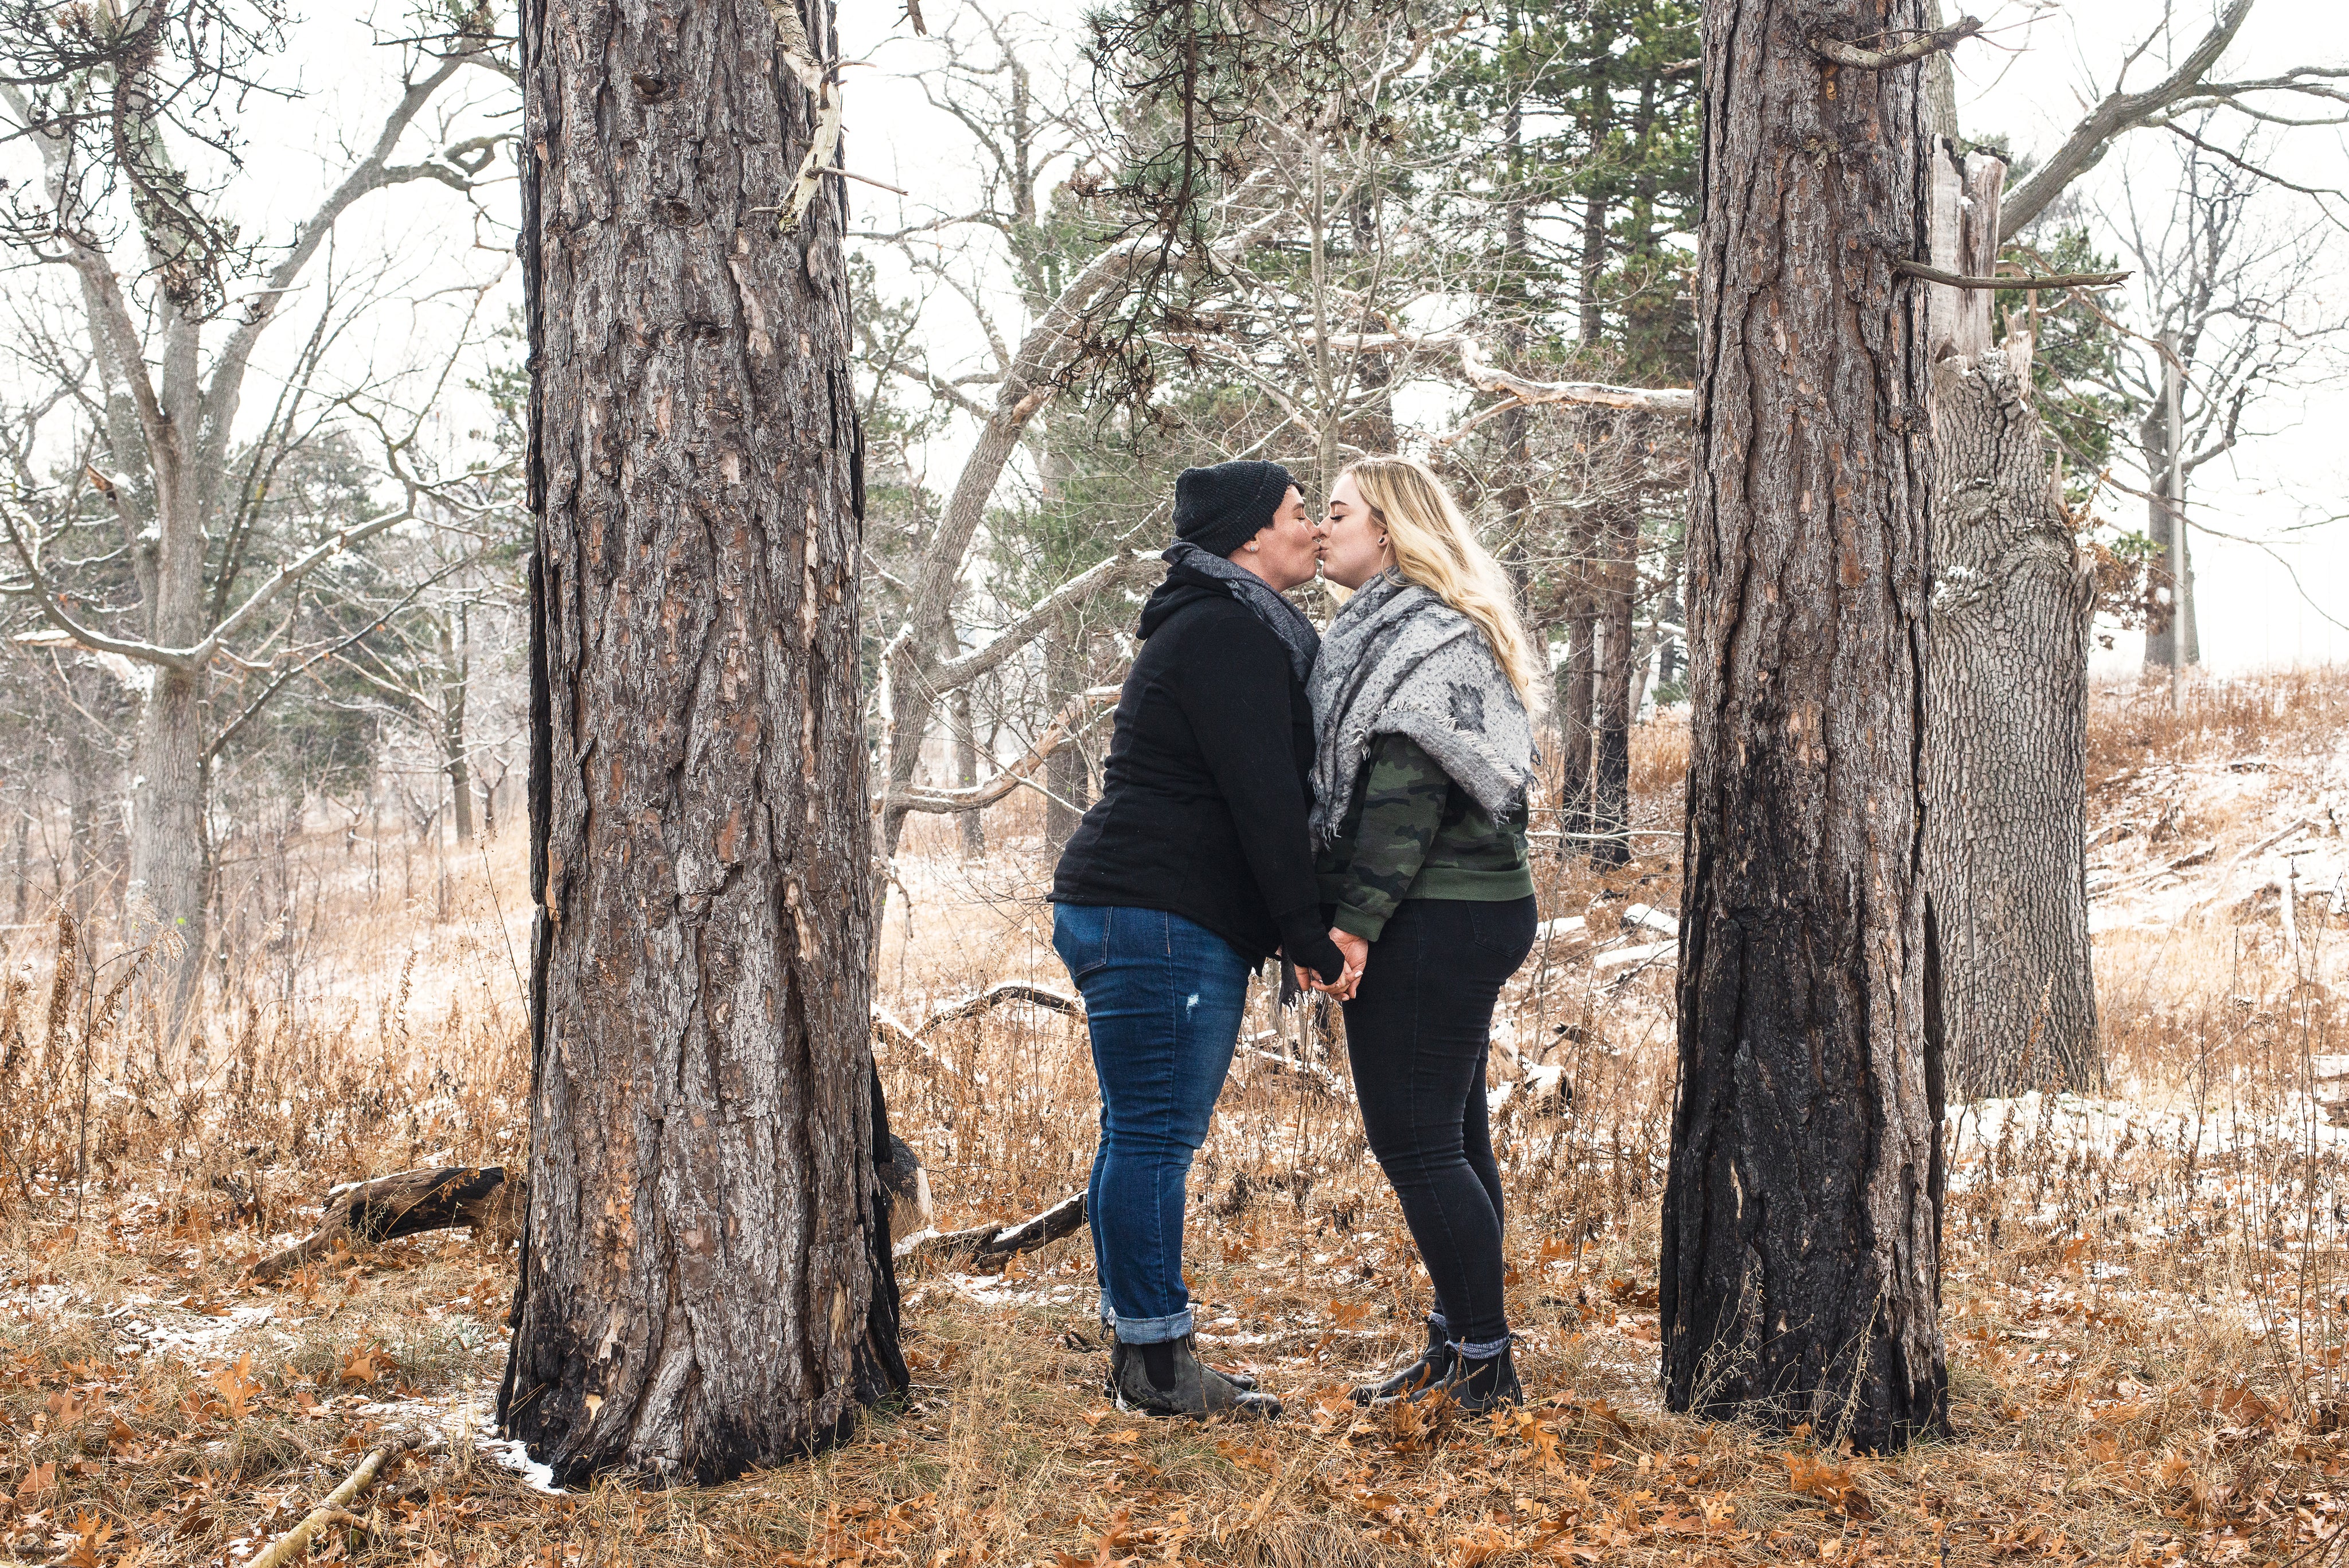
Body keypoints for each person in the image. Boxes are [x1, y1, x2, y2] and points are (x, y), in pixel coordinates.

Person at [1051, 458, 1354, 1420]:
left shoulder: (1220, 625)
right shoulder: (1228, 632)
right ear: (1248, 537)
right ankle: (1158, 1363)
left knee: (1135, 1134)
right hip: (1158, 915)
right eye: (1299, 513)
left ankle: (1145, 1348)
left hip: (1138, 906)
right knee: (1153, 1138)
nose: (1311, 528)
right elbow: (1263, 799)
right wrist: (1304, 931)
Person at [1307, 455, 1542, 1414]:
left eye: (1336, 512)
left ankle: (1486, 1363)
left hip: (1435, 912)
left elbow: (1406, 797)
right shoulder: (1398, 630)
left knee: (1414, 1143)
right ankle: (1459, 1345)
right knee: (1450, 1133)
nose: (1320, 529)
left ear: (1391, 532)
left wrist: (1352, 929)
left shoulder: (1421, 641)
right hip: (1458, 909)